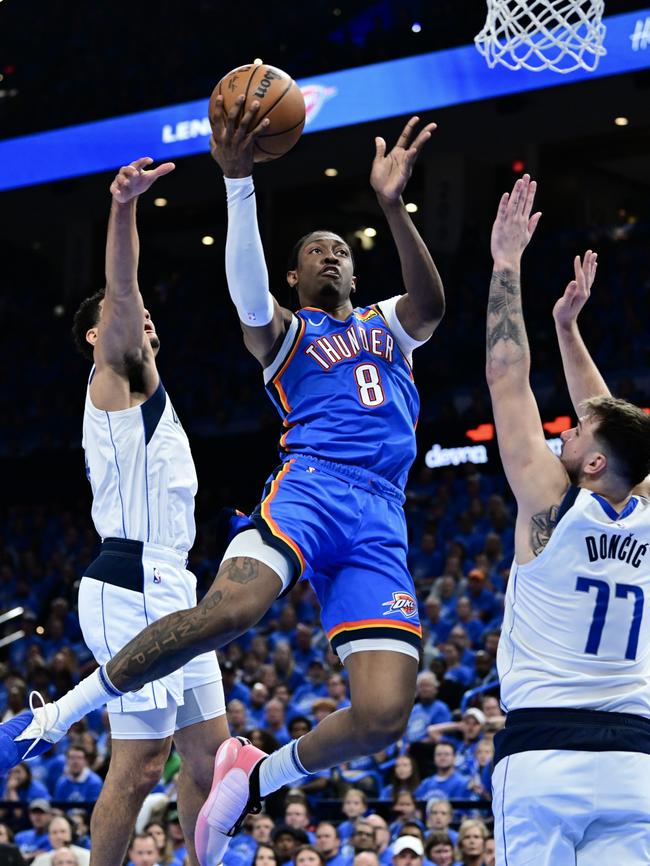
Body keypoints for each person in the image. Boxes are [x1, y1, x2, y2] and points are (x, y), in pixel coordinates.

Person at [1, 104, 444, 866]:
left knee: (251, 750)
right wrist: (210, 188)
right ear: (293, 275)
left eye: (342, 249)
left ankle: (254, 782)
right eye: (315, 250)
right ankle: (51, 718)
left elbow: (431, 304)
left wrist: (392, 206)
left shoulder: (383, 327)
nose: (331, 256)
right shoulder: (127, 369)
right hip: (189, 544)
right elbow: (162, 294)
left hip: (357, 521)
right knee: (146, 753)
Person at [0, 158, 229, 866]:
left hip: (175, 583)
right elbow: (123, 288)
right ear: (99, 337)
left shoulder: (155, 396)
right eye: (123, 320)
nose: (139, 318)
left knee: (210, 760)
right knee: (136, 765)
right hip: (128, 583)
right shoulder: (111, 380)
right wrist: (123, 206)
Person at [485, 176, 650, 864]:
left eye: (575, 433)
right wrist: (567, 327)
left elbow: (507, 377)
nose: (565, 433)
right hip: (636, 765)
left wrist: (505, 264)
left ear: (589, 465)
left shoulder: (549, 504)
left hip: (544, 757)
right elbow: (616, 429)